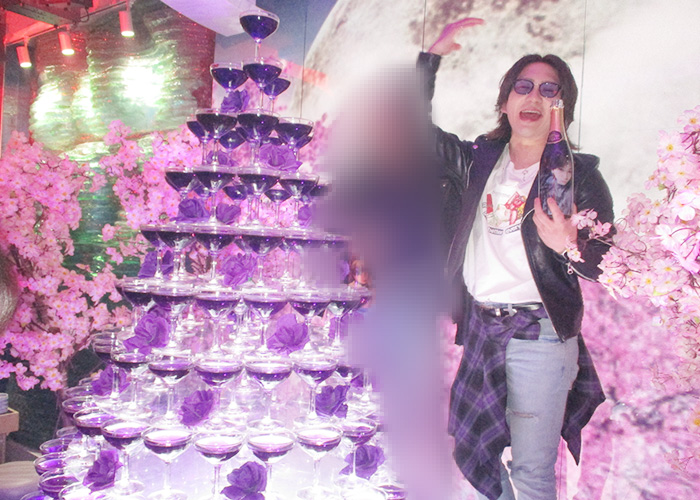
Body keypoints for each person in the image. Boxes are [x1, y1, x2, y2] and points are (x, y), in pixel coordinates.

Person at [419, 18, 614, 500]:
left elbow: (604, 261)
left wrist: (569, 244)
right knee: (479, 456)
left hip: (539, 336)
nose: (534, 97)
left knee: (530, 471)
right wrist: (430, 58)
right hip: (481, 330)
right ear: (505, 102)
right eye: (522, 87)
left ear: (561, 108)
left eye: (549, 90)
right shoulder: (476, 161)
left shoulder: (580, 176)